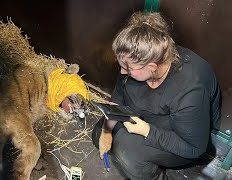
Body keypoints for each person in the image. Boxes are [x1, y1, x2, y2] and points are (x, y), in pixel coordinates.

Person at [92, 11, 222, 180]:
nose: (122, 71)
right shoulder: (136, 60)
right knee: (98, 134)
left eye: (128, 68)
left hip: (182, 135)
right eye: (122, 64)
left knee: (127, 150)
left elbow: (194, 148)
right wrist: (106, 131)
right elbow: (117, 99)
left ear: (152, 66)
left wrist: (148, 131)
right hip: (151, 111)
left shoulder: (190, 89)